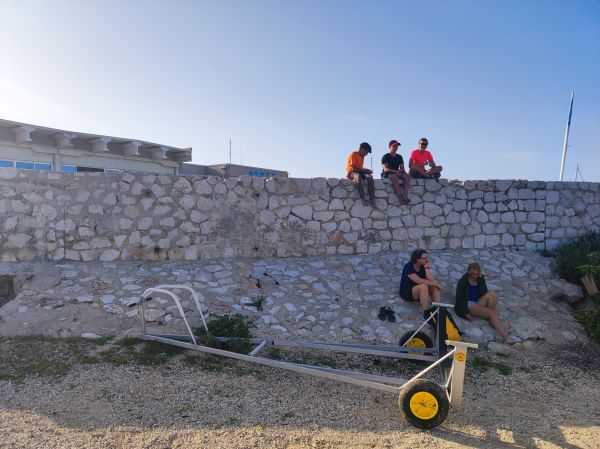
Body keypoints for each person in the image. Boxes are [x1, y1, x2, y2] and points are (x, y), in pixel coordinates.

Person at [455, 262, 511, 344]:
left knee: (493, 294)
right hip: (468, 304)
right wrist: (466, 313)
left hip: (478, 301)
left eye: (477, 274)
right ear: (468, 272)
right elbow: (459, 299)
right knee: (491, 312)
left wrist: (480, 281)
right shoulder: (462, 281)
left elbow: (484, 292)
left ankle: (491, 318)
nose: (475, 276)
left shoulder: (480, 279)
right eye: (473, 274)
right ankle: (506, 338)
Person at [399, 249, 442, 319]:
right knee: (423, 286)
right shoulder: (408, 268)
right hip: (407, 292)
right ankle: (426, 313)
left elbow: (431, 280)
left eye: (427, 258)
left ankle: (437, 309)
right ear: (417, 259)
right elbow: (419, 281)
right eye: (424, 258)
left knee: (434, 286)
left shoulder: (423, 265)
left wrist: (426, 268)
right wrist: (435, 284)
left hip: (421, 291)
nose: (426, 260)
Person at [346, 142, 375, 207]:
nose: (367, 154)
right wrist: (366, 171)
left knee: (369, 177)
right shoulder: (353, 154)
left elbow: (360, 167)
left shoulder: (362, 157)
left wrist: (367, 171)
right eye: (366, 152)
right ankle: (363, 199)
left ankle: (372, 200)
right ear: (362, 149)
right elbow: (353, 168)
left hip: (359, 171)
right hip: (351, 172)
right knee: (358, 176)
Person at [381, 139, 411, 204]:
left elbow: (402, 169)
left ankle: (405, 196)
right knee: (394, 176)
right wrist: (395, 171)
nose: (396, 147)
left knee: (406, 176)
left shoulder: (399, 157)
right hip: (387, 173)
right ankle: (400, 198)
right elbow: (385, 169)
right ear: (390, 147)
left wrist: (402, 172)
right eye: (394, 146)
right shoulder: (386, 156)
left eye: (397, 146)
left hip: (396, 172)